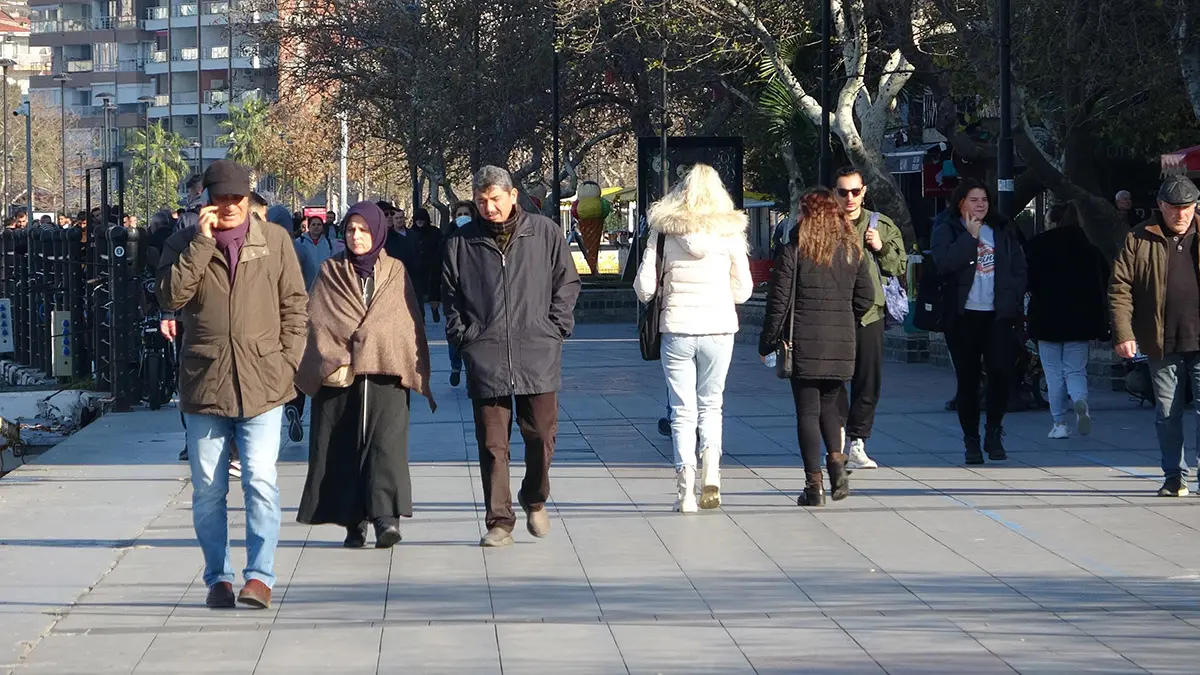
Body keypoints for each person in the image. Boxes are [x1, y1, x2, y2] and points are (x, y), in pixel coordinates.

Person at [156, 160, 307, 610]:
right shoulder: (182, 243)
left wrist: (286, 364)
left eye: (235, 199)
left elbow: (295, 306)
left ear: (248, 199)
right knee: (208, 489)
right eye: (218, 199)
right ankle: (217, 577)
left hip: (264, 381)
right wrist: (201, 245)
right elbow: (169, 296)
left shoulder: (274, 241)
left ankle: (259, 576)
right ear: (204, 200)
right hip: (206, 381)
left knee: (260, 480)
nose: (227, 207)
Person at [442, 165, 581, 548]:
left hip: (537, 351)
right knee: (492, 444)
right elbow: (451, 297)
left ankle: (534, 496)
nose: (489, 208)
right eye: (482, 201)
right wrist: (463, 338)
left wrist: (556, 327)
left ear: (513, 196)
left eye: (495, 200)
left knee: (541, 436)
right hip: (485, 355)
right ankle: (499, 520)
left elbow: (567, 282)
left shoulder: (545, 233)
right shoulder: (461, 242)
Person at [295, 201, 436, 548]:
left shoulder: (395, 271)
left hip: (387, 372)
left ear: (378, 232)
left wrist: (387, 345)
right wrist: (340, 347)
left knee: (386, 447)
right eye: (351, 230)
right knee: (342, 447)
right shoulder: (330, 271)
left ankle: (386, 518)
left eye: (364, 230)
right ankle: (352, 521)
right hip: (340, 375)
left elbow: (406, 320)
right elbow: (318, 319)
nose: (357, 236)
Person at [633, 164, 753, 513]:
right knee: (711, 405)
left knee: (681, 411)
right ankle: (712, 474)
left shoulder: (665, 232)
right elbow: (743, 290)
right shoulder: (729, 233)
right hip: (718, 327)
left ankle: (685, 491)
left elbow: (644, 288)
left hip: (678, 327)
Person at [758, 188, 874, 506]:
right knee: (830, 406)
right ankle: (836, 461)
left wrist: (767, 342)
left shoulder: (795, 247)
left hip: (804, 343)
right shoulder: (852, 248)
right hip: (841, 343)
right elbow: (866, 297)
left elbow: (778, 301)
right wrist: (845, 318)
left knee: (807, 411)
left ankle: (813, 486)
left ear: (806, 215)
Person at [1110, 175, 1200, 497]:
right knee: (1167, 412)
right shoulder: (1139, 238)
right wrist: (1124, 333)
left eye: (1187, 208)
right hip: (1160, 340)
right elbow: (1120, 288)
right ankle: (1175, 476)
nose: (1181, 215)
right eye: (1174, 208)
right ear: (1160, 206)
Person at [930, 178, 1028, 465]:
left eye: (983, 199)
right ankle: (971, 440)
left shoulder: (1002, 228)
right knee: (968, 380)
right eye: (973, 200)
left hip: (997, 315)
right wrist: (969, 238)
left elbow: (1020, 266)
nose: (980, 204)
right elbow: (944, 262)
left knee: (1001, 373)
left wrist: (1014, 294)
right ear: (960, 202)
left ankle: (994, 431)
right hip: (962, 316)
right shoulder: (946, 227)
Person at [832, 167, 906, 470]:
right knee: (832, 378)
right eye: (842, 192)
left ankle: (858, 440)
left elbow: (899, 266)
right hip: (832, 315)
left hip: (869, 314)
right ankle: (837, 430)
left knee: (868, 380)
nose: (849, 198)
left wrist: (881, 246)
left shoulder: (881, 225)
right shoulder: (824, 225)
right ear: (834, 194)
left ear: (864, 192)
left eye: (855, 191)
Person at [1027, 201, 1109, 439]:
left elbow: (1028, 280)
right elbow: (1103, 281)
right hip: (1080, 321)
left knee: (1053, 374)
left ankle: (1059, 423)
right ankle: (1080, 401)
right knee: (1075, 370)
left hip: (1047, 318)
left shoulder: (1038, 246)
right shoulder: (1089, 249)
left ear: (1052, 221)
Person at [445, 200, 478, 387]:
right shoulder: (448, 237)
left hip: (476, 294)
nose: (462, 217)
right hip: (454, 293)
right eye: (459, 214)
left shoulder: (480, 236)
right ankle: (456, 366)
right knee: (455, 331)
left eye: (466, 214)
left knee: (474, 333)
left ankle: (472, 368)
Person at [410, 207, 444, 323]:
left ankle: (434, 309)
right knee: (418, 294)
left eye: (422, 219)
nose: (419, 221)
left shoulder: (434, 232)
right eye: (417, 219)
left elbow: (440, 248)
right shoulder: (411, 233)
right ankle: (420, 317)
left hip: (432, 267)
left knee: (432, 292)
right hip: (417, 269)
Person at [295, 215, 344, 292]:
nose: (316, 227)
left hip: (324, 286)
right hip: (305, 285)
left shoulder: (329, 243)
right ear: (309, 226)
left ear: (322, 227)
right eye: (313, 224)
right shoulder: (299, 242)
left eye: (319, 224)